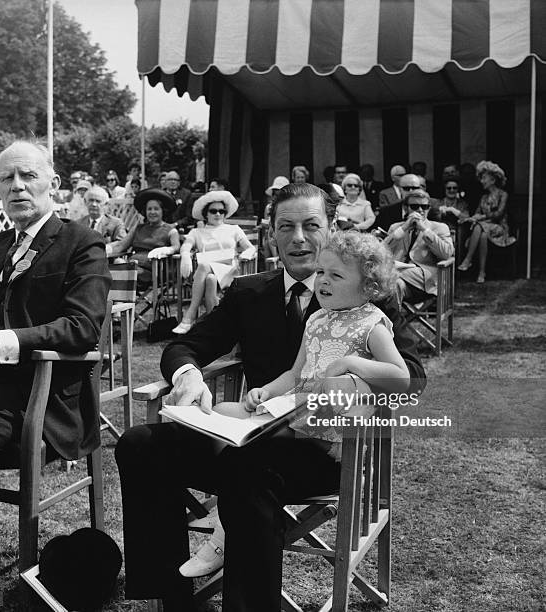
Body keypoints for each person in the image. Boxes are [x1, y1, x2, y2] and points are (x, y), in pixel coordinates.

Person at [115, 183, 426, 611]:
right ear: (271, 235)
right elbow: (185, 346)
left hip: (332, 449)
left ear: (331, 227)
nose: (298, 237)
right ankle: (172, 596)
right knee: (140, 444)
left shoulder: (368, 293)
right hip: (251, 432)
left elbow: (412, 373)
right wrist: (188, 375)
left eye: (311, 225)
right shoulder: (249, 292)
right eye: (286, 227)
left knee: (247, 471)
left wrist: (355, 379)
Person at [179, 231, 409, 578]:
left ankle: (223, 538)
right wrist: (266, 392)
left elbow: (401, 377)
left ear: (369, 288)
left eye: (337, 275)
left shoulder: (371, 324)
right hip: (295, 414)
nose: (323, 282)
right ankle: (232, 504)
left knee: (246, 451)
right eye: (321, 272)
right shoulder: (316, 320)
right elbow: (294, 373)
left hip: (333, 438)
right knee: (222, 413)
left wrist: (352, 365)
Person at [0, 140, 111, 590]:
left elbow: (81, 327)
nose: (17, 186)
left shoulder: (81, 243)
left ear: (52, 183)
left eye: (27, 176)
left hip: (26, 396)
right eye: (6, 178)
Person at [172, 191, 255, 334]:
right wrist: (185, 255)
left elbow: (250, 247)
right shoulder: (197, 232)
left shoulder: (233, 229)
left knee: (204, 266)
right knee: (210, 279)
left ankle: (190, 315)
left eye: (222, 211)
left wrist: (246, 255)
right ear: (206, 214)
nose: (218, 214)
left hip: (230, 273)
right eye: (213, 211)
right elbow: (186, 246)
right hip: (206, 276)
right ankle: (214, 328)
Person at [385, 189, 454, 306]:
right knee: (395, 286)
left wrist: (424, 230)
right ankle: (395, 323)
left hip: (425, 281)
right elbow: (382, 251)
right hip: (400, 280)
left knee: (382, 276)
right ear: (406, 208)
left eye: (424, 207)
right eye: (415, 206)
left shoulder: (440, 228)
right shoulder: (396, 228)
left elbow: (446, 253)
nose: (420, 210)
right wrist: (405, 227)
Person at [107, 188, 180, 286]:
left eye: (156, 209)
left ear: (163, 211)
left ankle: (119, 299)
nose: (152, 212)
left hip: (153, 271)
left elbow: (176, 247)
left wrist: (166, 250)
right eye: (149, 209)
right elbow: (121, 245)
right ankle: (120, 299)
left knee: (121, 269)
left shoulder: (171, 230)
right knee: (118, 262)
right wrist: (105, 250)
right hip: (132, 266)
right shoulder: (138, 228)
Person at [458, 161, 516, 283]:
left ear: (493, 180)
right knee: (483, 235)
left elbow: (498, 214)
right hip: (485, 229)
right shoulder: (483, 197)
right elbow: (477, 212)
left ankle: (468, 259)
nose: (481, 181)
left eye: (484, 178)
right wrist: (472, 218)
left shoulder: (503, 194)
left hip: (500, 228)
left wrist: (482, 217)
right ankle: (481, 272)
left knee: (480, 226)